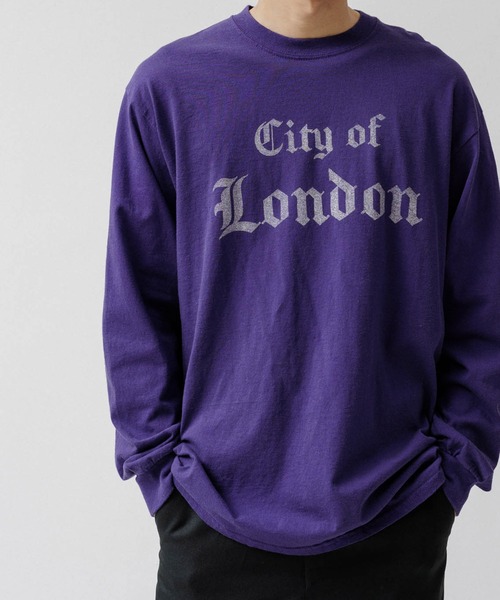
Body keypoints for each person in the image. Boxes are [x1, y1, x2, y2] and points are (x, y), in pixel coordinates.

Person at [101, 1, 500, 598]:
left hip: (397, 512)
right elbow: (136, 303)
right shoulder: (171, 88)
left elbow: (482, 298)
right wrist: (162, 477)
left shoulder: (433, 89)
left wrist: (452, 472)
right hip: (209, 517)